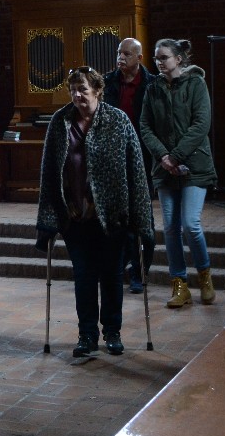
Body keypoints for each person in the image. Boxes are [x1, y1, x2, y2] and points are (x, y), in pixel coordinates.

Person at [35, 67, 154, 357]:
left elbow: (136, 171)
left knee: (111, 275)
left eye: (83, 90)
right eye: (73, 90)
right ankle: (87, 335)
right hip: (75, 216)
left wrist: (141, 217)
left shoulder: (118, 120)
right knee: (84, 277)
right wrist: (49, 218)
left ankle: (112, 332)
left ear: (98, 91)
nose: (77, 95)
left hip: (112, 216)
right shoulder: (60, 122)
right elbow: (49, 172)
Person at [138, 38, 217, 308]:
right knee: (170, 228)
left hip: (194, 164)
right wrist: (163, 156)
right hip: (164, 167)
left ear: (178, 59)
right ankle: (179, 284)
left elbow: (201, 123)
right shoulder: (153, 89)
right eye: (156, 58)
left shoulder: (196, 84)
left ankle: (204, 276)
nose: (159, 62)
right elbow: (145, 126)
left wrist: (176, 156)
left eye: (164, 57)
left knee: (190, 224)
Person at [101, 39, 157, 293]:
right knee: (117, 218)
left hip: (143, 156)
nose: (120, 58)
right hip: (115, 156)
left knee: (142, 219)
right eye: (118, 53)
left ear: (139, 57)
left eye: (126, 54)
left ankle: (139, 272)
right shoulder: (107, 82)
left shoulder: (152, 85)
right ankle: (119, 265)